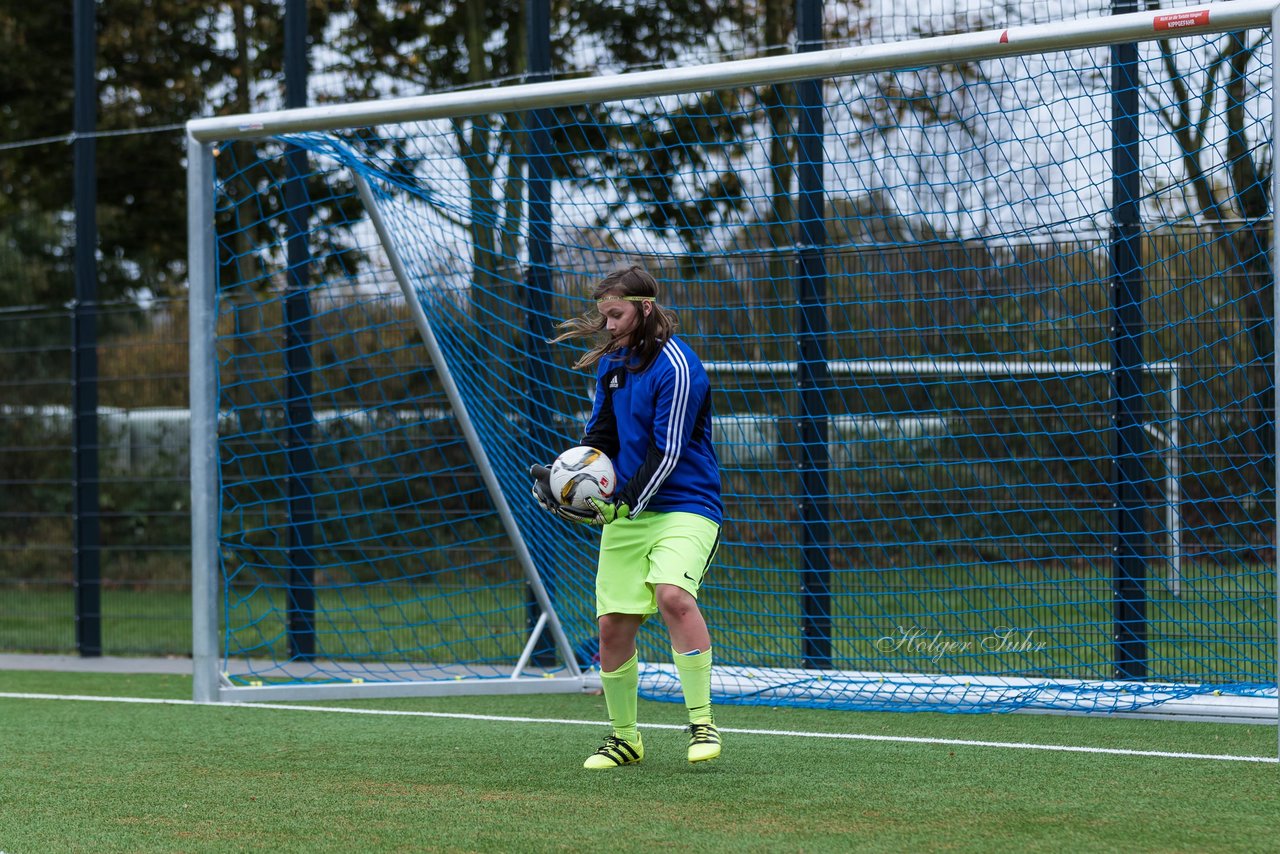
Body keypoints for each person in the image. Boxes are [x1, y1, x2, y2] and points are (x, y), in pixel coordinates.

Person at [530, 264, 723, 769]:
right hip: (629, 511)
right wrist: (566, 479)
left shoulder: (679, 368)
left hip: (685, 505)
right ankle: (624, 739)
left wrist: (624, 503)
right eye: (604, 316)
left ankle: (702, 723)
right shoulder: (613, 364)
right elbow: (602, 440)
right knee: (614, 624)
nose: (609, 325)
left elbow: (668, 451)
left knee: (673, 597)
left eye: (615, 314)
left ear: (644, 307)